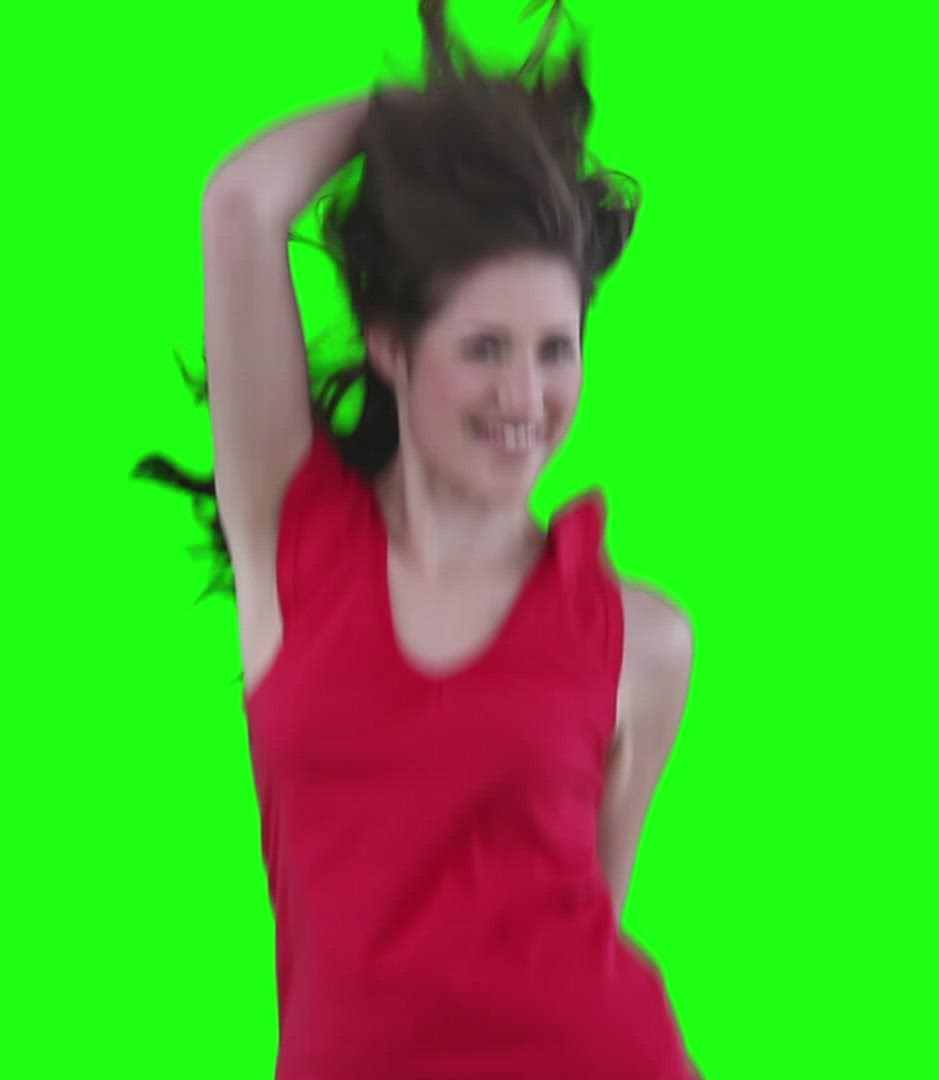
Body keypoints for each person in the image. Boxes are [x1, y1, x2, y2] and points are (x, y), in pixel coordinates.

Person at [136, 3, 701, 1076]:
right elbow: (242, 204)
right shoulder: (294, 536)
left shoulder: (644, 639)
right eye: (485, 348)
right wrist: (422, 119)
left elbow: (585, 918)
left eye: (556, 349)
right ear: (391, 347)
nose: (526, 396)